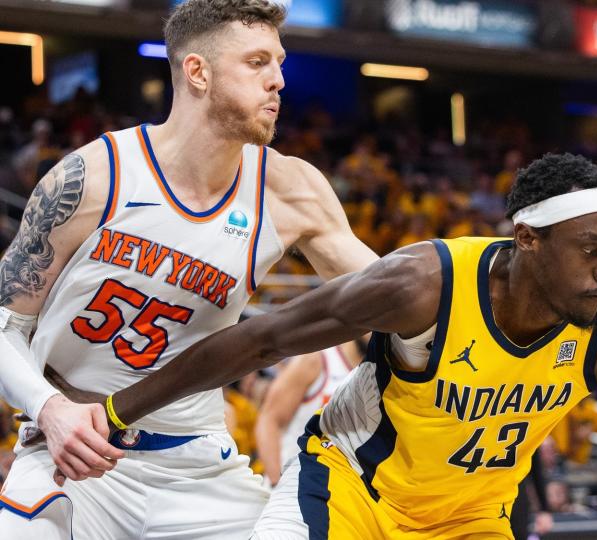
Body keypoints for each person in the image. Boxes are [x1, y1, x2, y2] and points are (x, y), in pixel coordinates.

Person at [51, 153, 597, 540]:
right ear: (529, 243)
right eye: (592, 250)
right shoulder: (420, 283)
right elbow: (261, 337)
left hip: (472, 516)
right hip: (354, 494)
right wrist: (114, 408)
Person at [0, 0, 377, 537]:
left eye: (280, 62)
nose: (279, 82)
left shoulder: (290, 190)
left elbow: (393, 295)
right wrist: (49, 408)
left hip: (198, 467)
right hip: (74, 456)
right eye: (257, 62)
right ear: (197, 71)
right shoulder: (94, 176)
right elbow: (3, 323)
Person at [255, 341, 363, 487]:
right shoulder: (317, 359)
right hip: (291, 486)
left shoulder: (377, 376)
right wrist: (277, 483)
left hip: (335, 493)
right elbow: (269, 419)